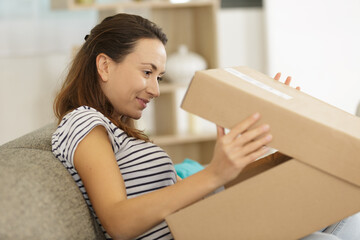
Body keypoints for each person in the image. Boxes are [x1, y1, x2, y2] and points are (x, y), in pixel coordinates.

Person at [51, 13, 358, 240]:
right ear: (104, 65)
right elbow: (118, 222)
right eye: (147, 72)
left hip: (211, 225)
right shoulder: (84, 121)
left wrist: (271, 144)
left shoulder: (118, 129)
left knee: (350, 205)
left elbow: (194, 195)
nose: (155, 90)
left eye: (158, 77)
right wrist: (214, 173)